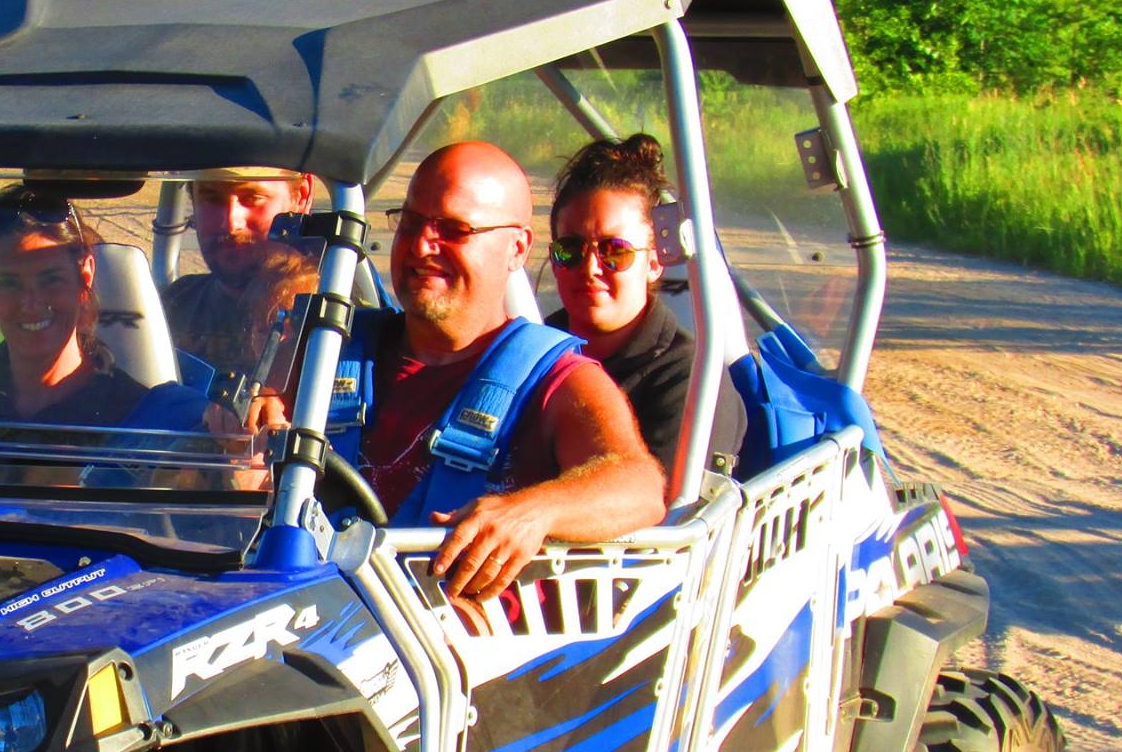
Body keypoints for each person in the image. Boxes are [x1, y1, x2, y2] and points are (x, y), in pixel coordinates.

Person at [330, 141, 666, 601]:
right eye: (411, 223)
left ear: (516, 248)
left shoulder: (557, 379)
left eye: (453, 229)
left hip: (452, 648)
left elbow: (638, 484)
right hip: (301, 622)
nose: (422, 245)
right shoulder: (329, 352)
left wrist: (531, 512)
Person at [0, 186, 209, 439]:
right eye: (10, 284)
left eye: (51, 279)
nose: (31, 302)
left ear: (86, 276)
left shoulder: (161, 422)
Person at [544, 133, 746, 478]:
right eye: (570, 250)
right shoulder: (530, 352)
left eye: (614, 251)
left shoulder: (691, 380)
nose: (590, 268)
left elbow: (660, 516)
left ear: (654, 262)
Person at [162, 167, 318, 374]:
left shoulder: (332, 313)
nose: (230, 223)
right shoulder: (173, 304)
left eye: (252, 197)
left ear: (301, 196)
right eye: (211, 197)